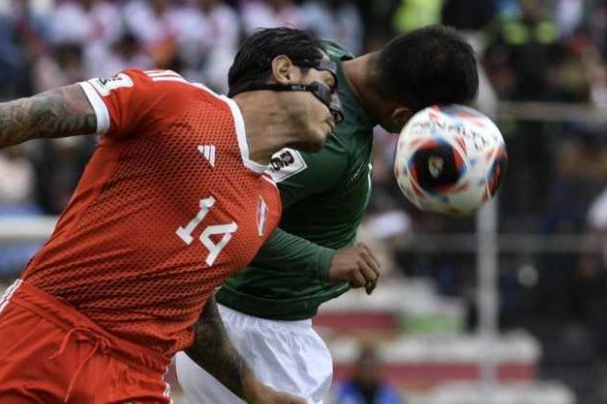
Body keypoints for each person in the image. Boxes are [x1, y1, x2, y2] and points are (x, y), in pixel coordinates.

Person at [0, 27, 347, 403]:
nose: (339, 110)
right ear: (284, 71)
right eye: (328, 86)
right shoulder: (178, 101)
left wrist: (255, 389)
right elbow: (43, 111)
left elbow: (190, 304)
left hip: (136, 372)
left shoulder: (267, 204)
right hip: (46, 330)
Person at [176, 24, 479, 403]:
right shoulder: (325, 143)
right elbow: (222, 214)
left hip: (257, 330)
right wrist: (325, 260)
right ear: (402, 115)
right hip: (260, 340)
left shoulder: (326, 56)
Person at [332, 343, 403, 404]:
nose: (367, 372)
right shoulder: (343, 392)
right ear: (358, 367)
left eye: (371, 368)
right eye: (364, 367)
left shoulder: (390, 395)